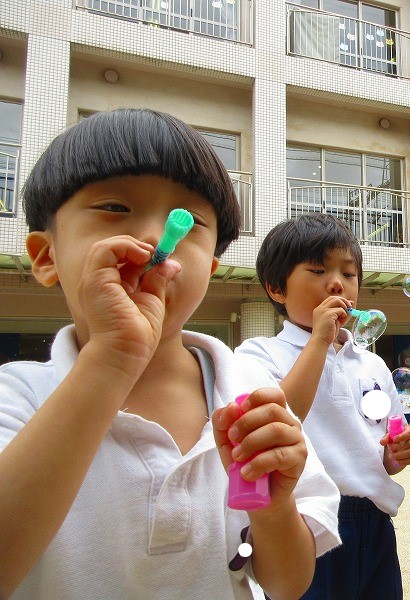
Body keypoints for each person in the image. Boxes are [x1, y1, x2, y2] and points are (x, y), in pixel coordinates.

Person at [0, 109, 341, 600]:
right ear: (46, 255)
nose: (153, 238)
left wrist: (272, 508)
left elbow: (288, 583)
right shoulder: (17, 397)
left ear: (212, 267)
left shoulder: (250, 393)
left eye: (190, 221)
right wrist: (112, 357)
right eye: (115, 207)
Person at [235, 213, 410, 600]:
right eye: (319, 270)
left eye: (349, 274)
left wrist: (398, 453)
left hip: (373, 520)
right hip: (305, 519)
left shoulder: (372, 364)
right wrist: (319, 341)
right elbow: (280, 421)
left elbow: (384, 452)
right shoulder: (260, 354)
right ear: (277, 289)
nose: (337, 282)